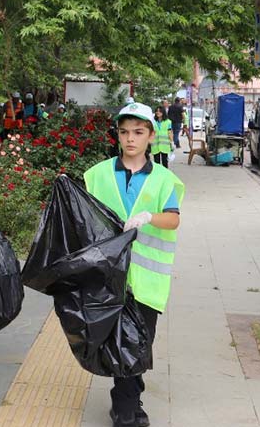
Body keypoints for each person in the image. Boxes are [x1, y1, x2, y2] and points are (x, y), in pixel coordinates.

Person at [83, 102, 183, 427]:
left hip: (147, 281)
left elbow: (173, 219)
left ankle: (128, 401)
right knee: (122, 342)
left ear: (151, 136)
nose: (130, 139)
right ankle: (126, 411)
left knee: (139, 342)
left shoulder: (163, 179)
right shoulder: (98, 175)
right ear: (117, 134)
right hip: (109, 276)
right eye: (125, 132)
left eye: (138, 132)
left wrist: (149, 217)